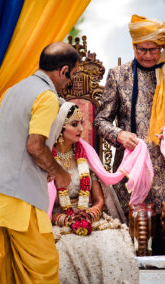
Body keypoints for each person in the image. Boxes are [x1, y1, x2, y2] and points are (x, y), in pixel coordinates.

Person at [0, 42, 79, 284]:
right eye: (72, 76)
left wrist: (40, 166)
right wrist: (59, 173)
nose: (70, 82)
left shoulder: (12, 91)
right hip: (18, 199)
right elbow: (35, 146)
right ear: (65, 70)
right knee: (44, 266)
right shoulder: (46, 97)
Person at [94, 14, 165, 224]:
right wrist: (120, 135)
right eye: (142, 49)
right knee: (135, 235)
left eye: (153, 50)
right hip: (131, 167)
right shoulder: (119, 75)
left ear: (162, 48)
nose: (148, 55)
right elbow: (100, 121)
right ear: (133, 47)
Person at [50, 102, 139, 284]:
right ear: (59, 128)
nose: (82, 129)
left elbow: (99, 200)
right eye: (75, 124)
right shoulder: (47, 162)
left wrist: (89, 215)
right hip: (59, 222)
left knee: (113, 248)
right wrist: (66, 219)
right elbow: (44, 206)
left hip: (90, 217)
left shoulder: (85, 156)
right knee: (64, 254)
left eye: (82, 123)